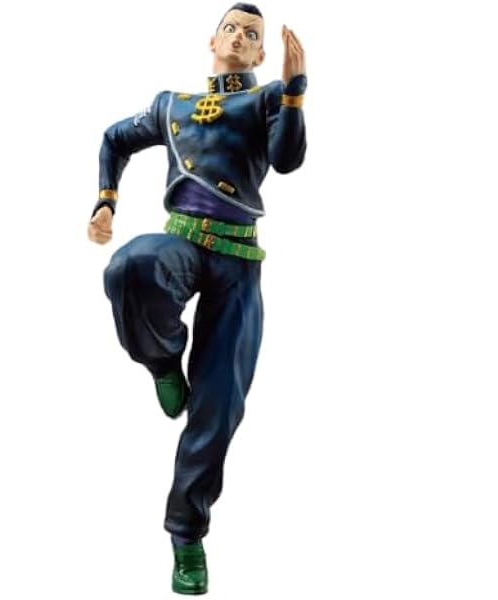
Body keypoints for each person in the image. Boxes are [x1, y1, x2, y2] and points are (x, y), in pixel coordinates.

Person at [88, 3, 306, 594]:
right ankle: (163, 363)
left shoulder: (265, 99)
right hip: (182, 241)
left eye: (251, 34)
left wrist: (293, 91)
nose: (239, 36)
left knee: (219, 405)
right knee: (132, 265)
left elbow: (287, 160)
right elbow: (114, 139)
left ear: (261, 53)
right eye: (231, 28)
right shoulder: (172, 105)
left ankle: (186, 534)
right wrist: (106, 199)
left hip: (238, 259)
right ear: (212, 40)